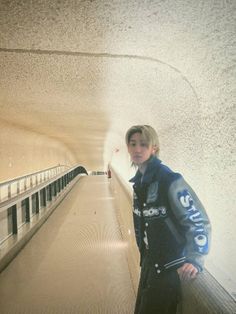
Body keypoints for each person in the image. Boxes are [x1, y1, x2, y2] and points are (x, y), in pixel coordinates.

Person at [125, 125, 211, 314]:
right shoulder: (139, 183)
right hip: (149, 264)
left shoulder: (169, 180)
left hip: (169, 271)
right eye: (133, 144)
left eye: (143, 144)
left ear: (154, 148)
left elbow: (198, 220)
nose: (137, 149)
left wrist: (195, 258)